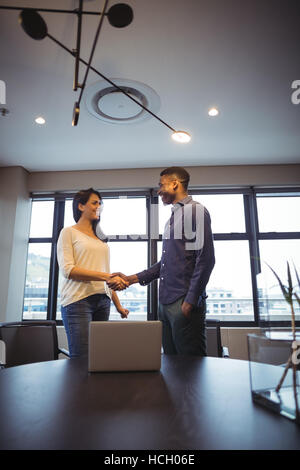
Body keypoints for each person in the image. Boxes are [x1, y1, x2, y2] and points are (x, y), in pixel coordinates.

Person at [112, 167, 215, 355]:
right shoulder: (172, 219)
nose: (158, 190)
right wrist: (130, 279)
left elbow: (206, 259)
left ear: (175, 184)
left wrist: (190, 301)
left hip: (183, 302)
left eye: (161, 185)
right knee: (171, 364)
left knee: (191, 367)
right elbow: (165, 264)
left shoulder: (196, 211)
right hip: (165, 303)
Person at [57, 188, 129, 358]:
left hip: (103, 301)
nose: (99, 206)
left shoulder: (101, 239)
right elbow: (68, 270)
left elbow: (105, 274)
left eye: (100, 203)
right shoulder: (69, 232)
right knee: (81, 359)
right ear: (81, 206)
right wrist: (106, 276)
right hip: (78, 301)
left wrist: (118, 306)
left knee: (98, 357)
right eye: (94, 202)